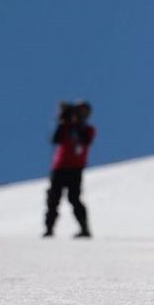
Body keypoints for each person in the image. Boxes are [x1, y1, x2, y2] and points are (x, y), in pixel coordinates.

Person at [43, 101, 96, 238]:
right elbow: (55, 139)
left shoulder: (87, 129)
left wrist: (76, 125)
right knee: (53, 199)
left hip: (75, 168)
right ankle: (49, 229)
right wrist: (63, 122)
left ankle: (84, 228)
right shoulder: (65, 127)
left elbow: (86, 139)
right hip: (59, 167)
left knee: (74, 198)